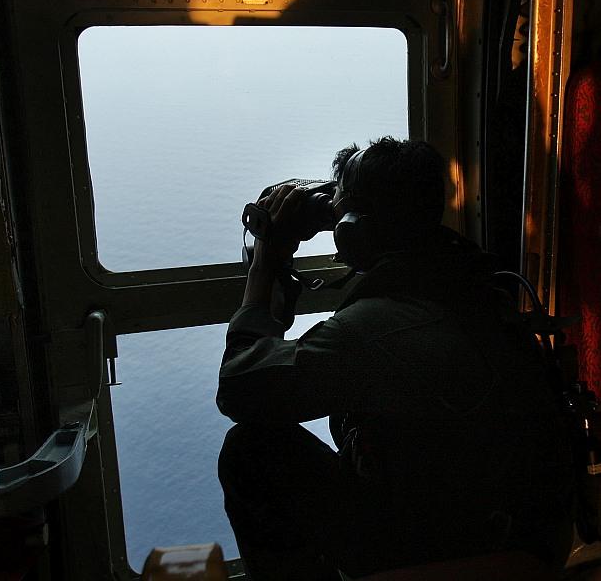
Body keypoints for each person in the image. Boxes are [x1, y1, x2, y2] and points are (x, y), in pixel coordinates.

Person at [216, 138, 574, 580]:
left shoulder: (380, 327)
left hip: (452, 547)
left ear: (351, 227)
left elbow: (240, 387)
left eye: (339, 208)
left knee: (251, 452)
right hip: (520, 535)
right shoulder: (467, 283)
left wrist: (265, 263)